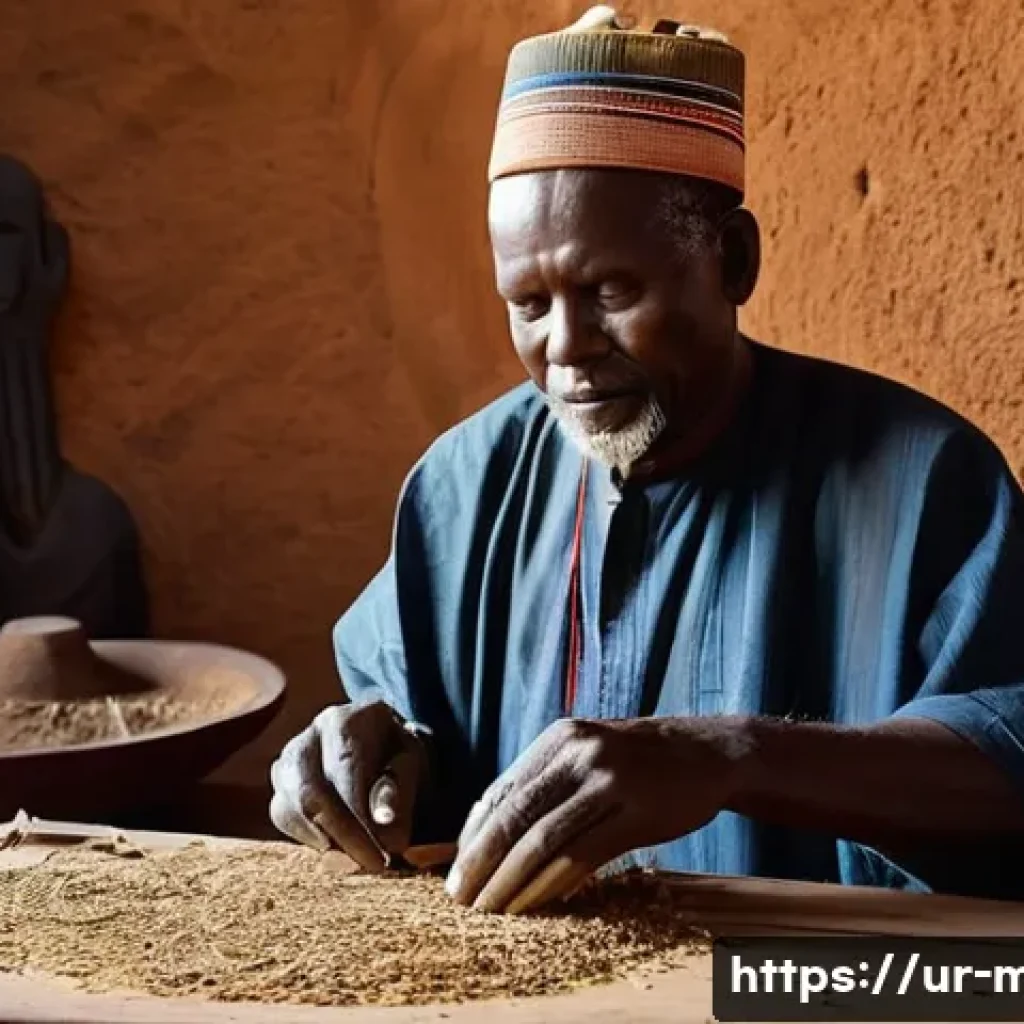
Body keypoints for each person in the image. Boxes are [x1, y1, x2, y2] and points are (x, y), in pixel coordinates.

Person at [269, 9, 1024, 912]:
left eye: (610, 291)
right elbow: (417, 742)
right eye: (528, 302)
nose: (565, 348)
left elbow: (1005, 770)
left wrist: (727, 755)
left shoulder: (927, 482)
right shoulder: (460, 490)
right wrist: (372, 764)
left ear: (732, 261)